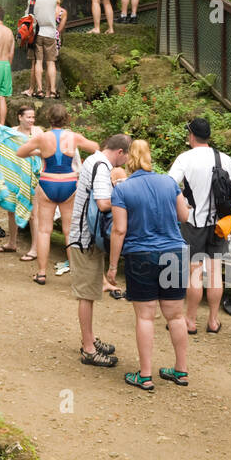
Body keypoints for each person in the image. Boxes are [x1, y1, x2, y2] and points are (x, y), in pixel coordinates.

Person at [107, 139, 192, 390]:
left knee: (146, 317)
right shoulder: (169, 182)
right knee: (176, 316)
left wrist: (112, 267)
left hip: (141, 255)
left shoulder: (122, 190)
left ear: (129, 160)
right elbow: (184, 216)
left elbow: (119, 230)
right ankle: (181, 371)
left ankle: (145, 375)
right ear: (149, 158)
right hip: (174, 253)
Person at [168, 117, 231, 334]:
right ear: (208, 136)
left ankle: (190, 321)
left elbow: (169, 184)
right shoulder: (224, 158)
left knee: (195, 274)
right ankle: (213, 321)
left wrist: (184, 198)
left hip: (193, 223)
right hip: (219, 225)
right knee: (214, 273)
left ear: (191, 135)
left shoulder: (185, 159)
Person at [67, 134, 132, 366]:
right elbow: (103, 203)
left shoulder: (93, 160)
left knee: (91, 292)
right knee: (86, 295)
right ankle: (88, 349)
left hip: (85, 236)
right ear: (120, 152)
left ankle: (91, 339)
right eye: (126, 157)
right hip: (85, 238)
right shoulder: (102, 166)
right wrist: (121, 191)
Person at [16, 104, 98, 286]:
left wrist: (39, 152)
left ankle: (42, 273)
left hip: (47, 182)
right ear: (66, 118)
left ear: (49, 118)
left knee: (44, 230)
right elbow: (95, 147)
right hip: (69, 183)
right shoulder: (73, 136)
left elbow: (20, 152)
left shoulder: (42, 137)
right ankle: (75, 273)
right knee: (70, 231)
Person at [0, 102, 42, 259]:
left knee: (34, 213)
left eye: (33, 117)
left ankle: (34, 248)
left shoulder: (38, 132)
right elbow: (1, 144)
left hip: (33, 176)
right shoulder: (12, 132)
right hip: (14, 175)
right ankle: (12, 243)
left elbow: (45, 151)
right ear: (19, 117)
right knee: (11, 209)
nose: (31, 120)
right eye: (28, 117)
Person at [31, 0, 60, 100]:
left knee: (38, 61)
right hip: (50, 33)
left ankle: (40, 90)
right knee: (51, 62)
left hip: (38, 32)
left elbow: (29, 16)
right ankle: (52, 91)